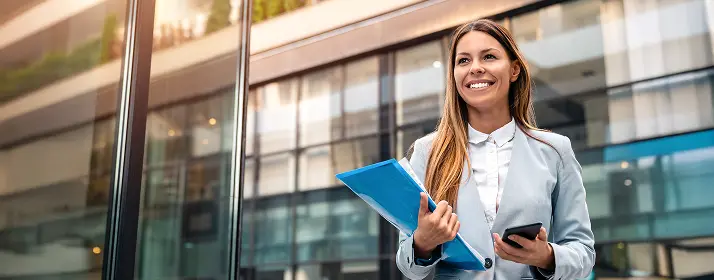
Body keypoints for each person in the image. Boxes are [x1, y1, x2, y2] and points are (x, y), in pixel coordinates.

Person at [396, 19, 595, 279]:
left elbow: (584, 252)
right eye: (463, 61)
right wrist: (422, 242)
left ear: (514, 70)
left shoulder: (555, 151)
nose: (475, 68)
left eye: (489, 57)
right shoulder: (427, 152)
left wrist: (546, 256)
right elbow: (407, 266)